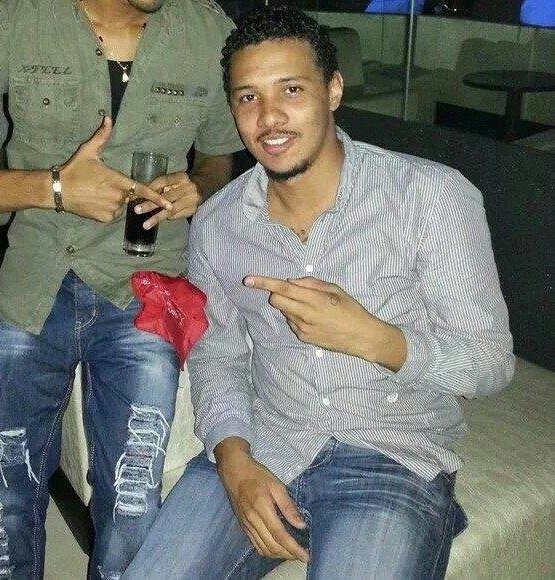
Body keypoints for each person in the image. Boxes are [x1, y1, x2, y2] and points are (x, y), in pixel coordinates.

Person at [123, 7, 514, 579]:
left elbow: (489, 364)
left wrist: (375, 339)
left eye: (291, 89)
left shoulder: (432, 197)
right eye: (248, 97)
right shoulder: (219, 223)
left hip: (390, 459)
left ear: (333, 90)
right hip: (266, 446)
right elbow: (218, 355)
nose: (269, 118)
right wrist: (232, 460)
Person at [0, 0, 242, 577]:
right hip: (37, 277)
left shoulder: (209, 30)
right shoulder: (10, 19)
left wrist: (197, 185)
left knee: (133, 503)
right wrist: (53, 188)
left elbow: (218, 157)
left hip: (146, 286)